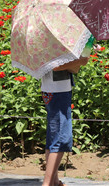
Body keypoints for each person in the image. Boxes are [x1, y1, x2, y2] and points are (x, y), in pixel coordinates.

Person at [41, 56, 89, 186]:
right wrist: (81, 60)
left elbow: (72, 69)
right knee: (61, 138)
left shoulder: (44, 40)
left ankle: (54, 181)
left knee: (53, 136)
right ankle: (47, 183)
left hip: (49, 89)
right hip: (59, 91)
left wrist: (76, 63)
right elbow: (56, 66)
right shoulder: (56, 39)